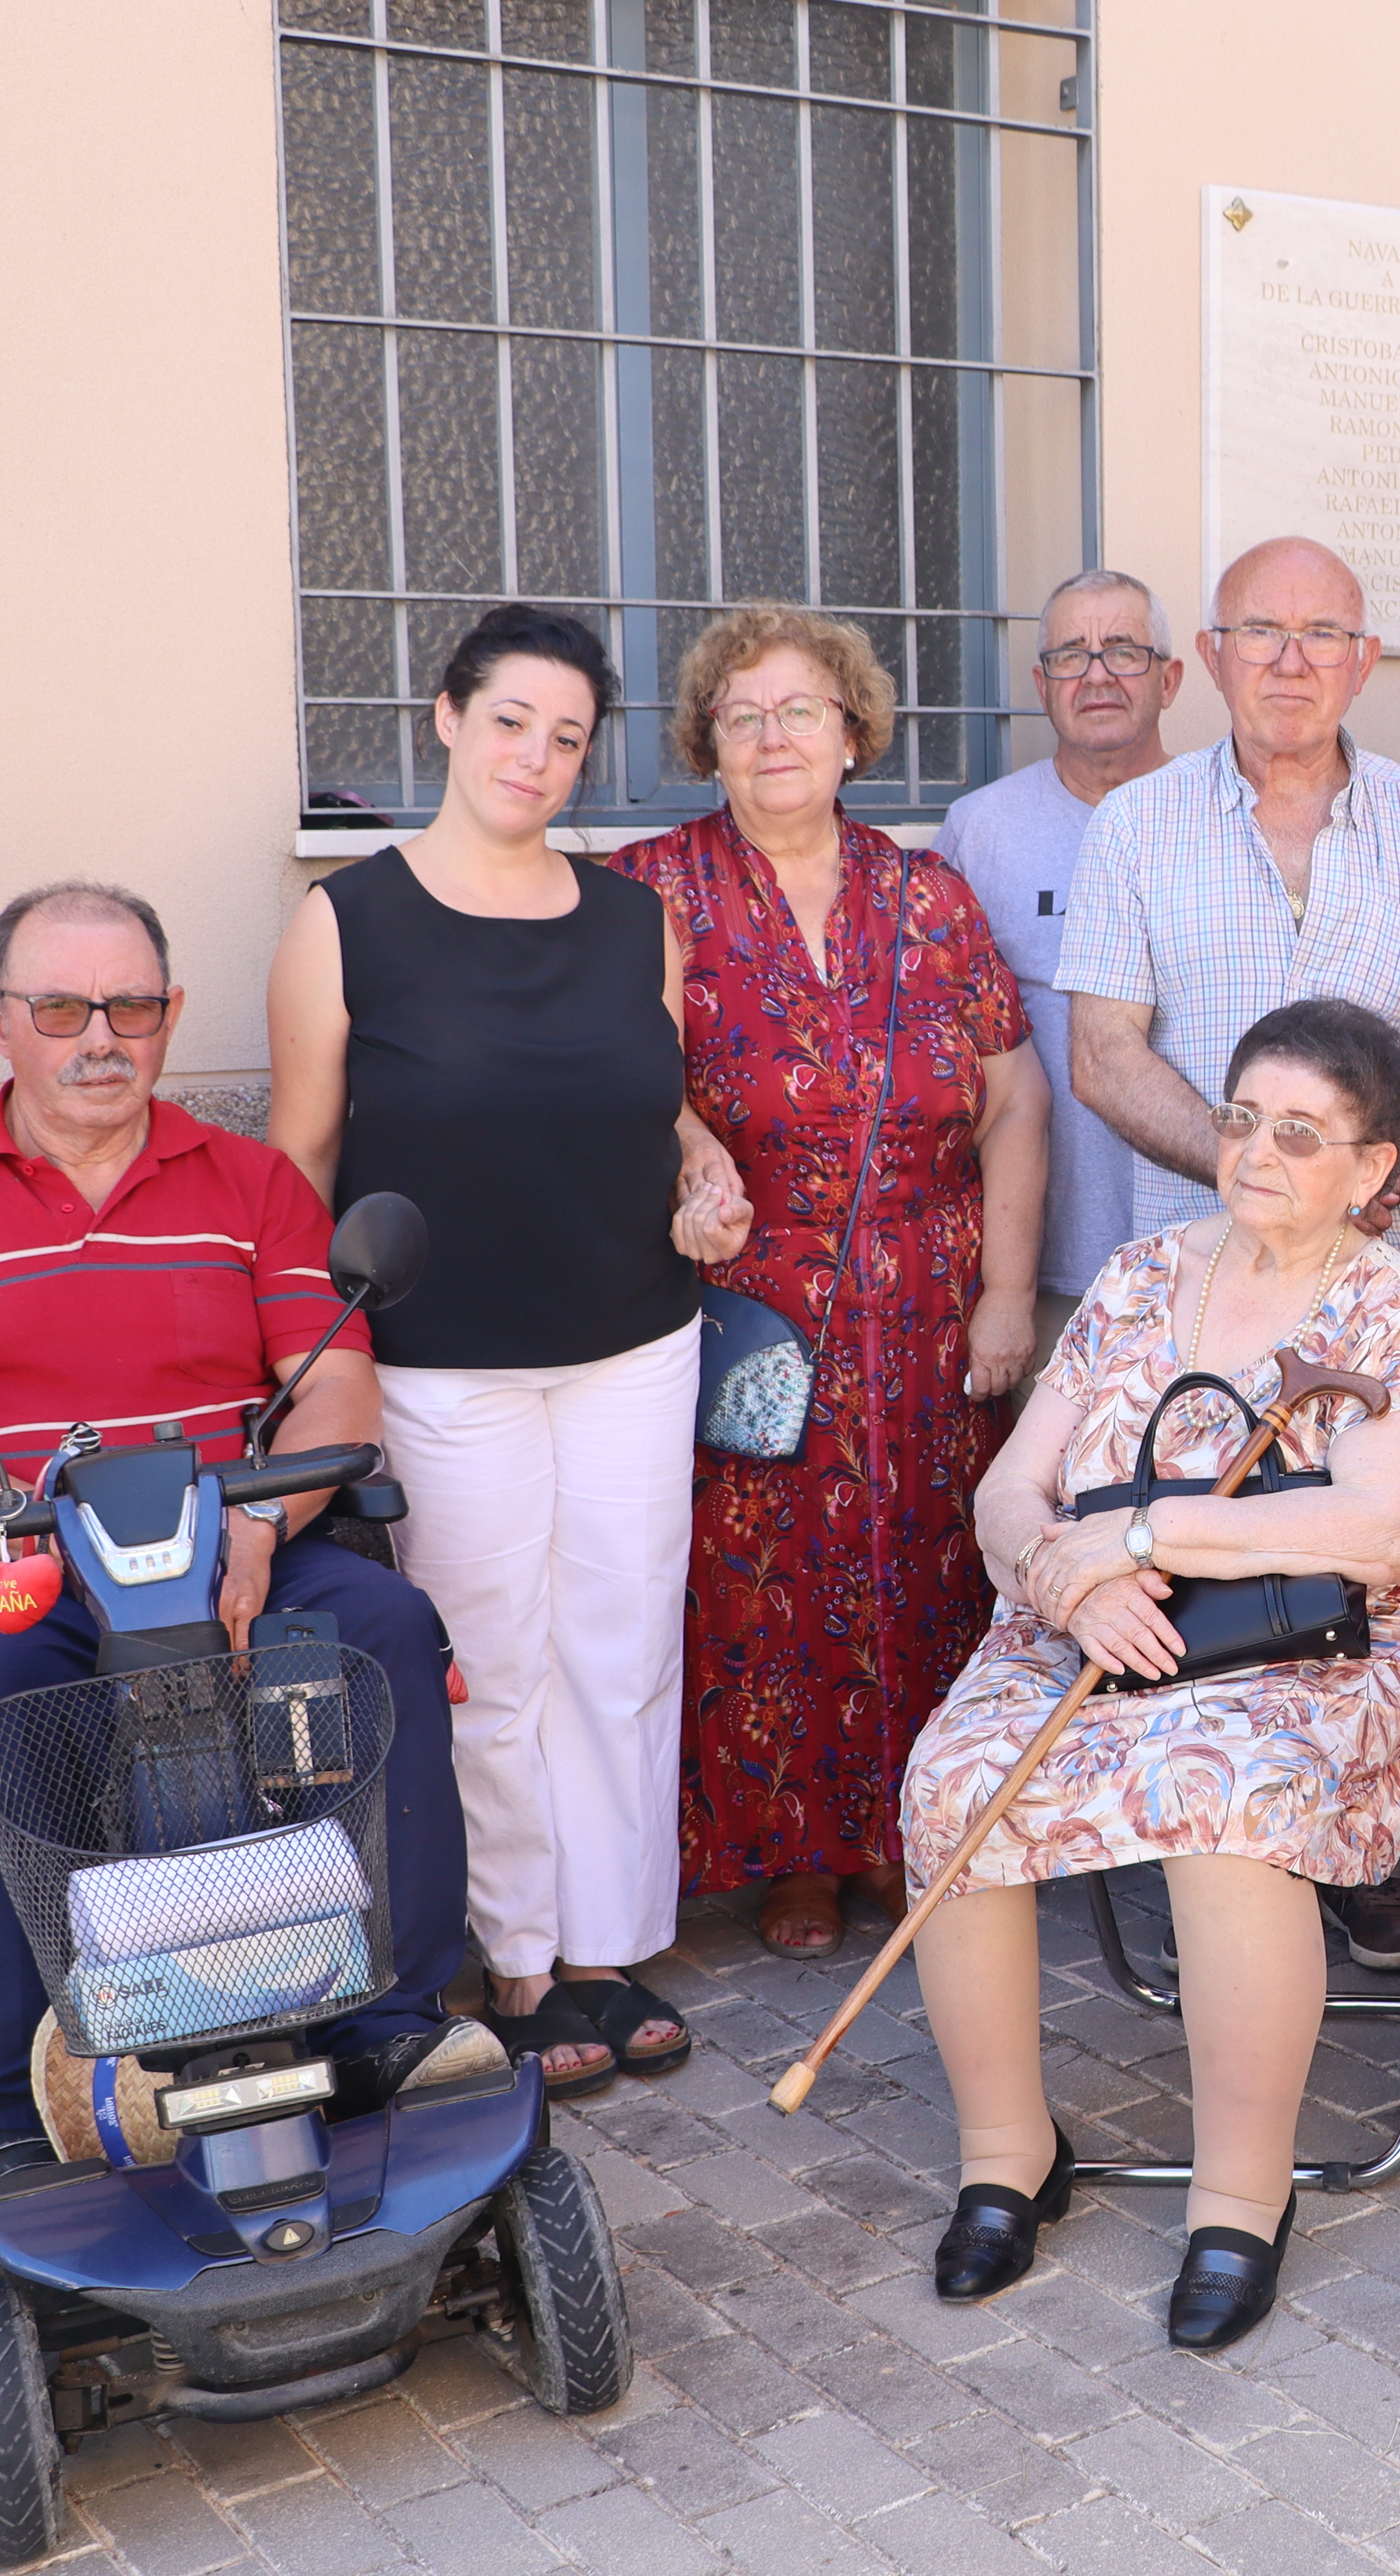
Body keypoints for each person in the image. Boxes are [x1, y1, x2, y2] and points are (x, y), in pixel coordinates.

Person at [0, 884, 486, 2181]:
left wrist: (260, 1521)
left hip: (229, 1538)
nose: (99, 1038)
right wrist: (38, 1532)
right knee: (11, 1691)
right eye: (62, 1006)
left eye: (132, 1006)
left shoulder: (247, 1185)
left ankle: (393, 2031)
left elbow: (334, 1385)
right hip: (14, 1559)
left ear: (171, 1016)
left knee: (385, 1629)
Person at [897, 999, 1400, 2353]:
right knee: (954, 1779)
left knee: (1228, 1794)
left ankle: (1239, 2195)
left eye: (1300, 1132)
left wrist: (1145, 1534)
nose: (1258, 1151)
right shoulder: (1139, 1274)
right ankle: (1007, 2153)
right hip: (1100, 1620)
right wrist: (1069, 1576)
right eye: (1240, 1119)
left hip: (1320, 1632)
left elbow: (1382, 1533)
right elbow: (1006, 1491)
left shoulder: (1386, 1302)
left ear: (1375, 1168)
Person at [271, 606, 736, 2092]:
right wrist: (288, 1362)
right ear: (448, 720)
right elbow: (297, 1163)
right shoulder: (348, 920)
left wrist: (705, 1168)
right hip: (439, 1353)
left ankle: (610, 1944)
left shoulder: (632, 918)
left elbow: (660, 1100)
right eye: (511, 720)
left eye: (568, 734)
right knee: (494, 1657)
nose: (536, 754)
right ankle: (522, 1959)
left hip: (633, 1336)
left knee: (621, 1640)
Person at [611, 608, 1047, 1962]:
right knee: (759, 1577)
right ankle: (793, 1850)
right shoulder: (651, 889)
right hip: (752, 1292)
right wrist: (688, 1150)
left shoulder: (929, 894)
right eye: (742, 715)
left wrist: (1010, 1295)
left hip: (928, 1288)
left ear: (854, 733)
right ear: (707, 745)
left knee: (925, 1565)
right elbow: (624, 1069)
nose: (772, 735)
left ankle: (902, 1830)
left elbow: (1014, 1096)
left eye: (800, 709)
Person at [1060, 536, 1400, 1287]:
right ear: (1213, 657)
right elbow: (1104, 1056)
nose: (1290, 660)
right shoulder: (1133, 824)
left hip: (1390, 1263)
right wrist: (1259, 1174)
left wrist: (1370, 1178)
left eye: (1322, 634)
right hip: (1197, 1270)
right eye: (1261, 630)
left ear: (1363, 661)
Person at [931, 571, 1173, 1375]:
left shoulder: (1230, 812)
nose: (1097, 673)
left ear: (1170, 678)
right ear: (1041, 685)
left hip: (1217, 1251)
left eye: (1125, 651)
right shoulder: (979, 832)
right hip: (1049, 1272)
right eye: (1071, 654)